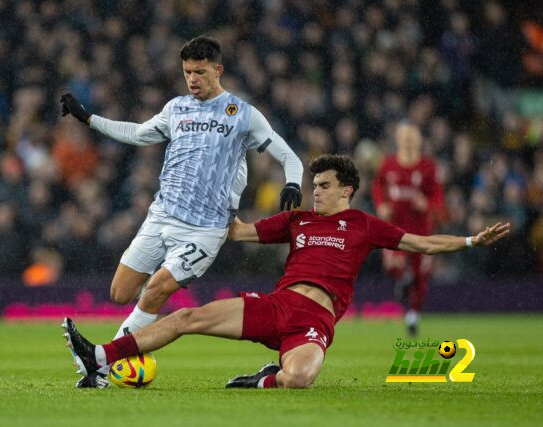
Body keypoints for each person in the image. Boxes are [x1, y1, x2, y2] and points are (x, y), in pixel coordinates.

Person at [62, 154, 510, 389]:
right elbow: (236, 232)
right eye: (313, 185)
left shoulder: (363, 225)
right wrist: (202, 202)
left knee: (300, 378)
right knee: (186, 318)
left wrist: (471, 240)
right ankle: (99, 356)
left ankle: (264, 379)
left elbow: (423, 243)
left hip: (315, 322)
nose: (314, 192)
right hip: (278, 304)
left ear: (346, 190)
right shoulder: (298, 220)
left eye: (323, 186)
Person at [59, 36, 303, 387]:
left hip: (205, 229)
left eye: (200, 72)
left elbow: (288, 155)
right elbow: (139, 134)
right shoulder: (176, 108)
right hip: (161, 215)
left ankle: (99, 363)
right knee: (120, 293)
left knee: (157, 289)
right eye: (187, 72)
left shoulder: (242, 114)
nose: (192, 79)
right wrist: (89, 119)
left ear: (218, 70)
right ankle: (100, 365)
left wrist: (292, 183)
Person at [371, 120, 445, 336]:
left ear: (419, 139)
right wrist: (381, 205)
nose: (408, 140)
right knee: (392, 265)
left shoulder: (428, 166)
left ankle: (413, 315)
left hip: (421, 230)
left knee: (421, 274)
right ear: (398, 139)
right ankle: (402, 279)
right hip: (394, 227)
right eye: (404, 137)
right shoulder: (388, 164)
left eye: (412, 136)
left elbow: (438, 197)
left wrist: (428, 204)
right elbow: (377, 186)